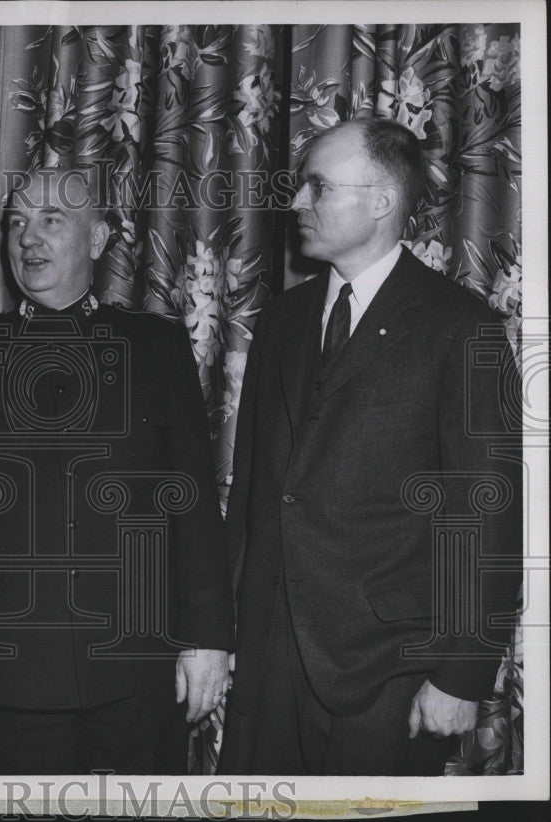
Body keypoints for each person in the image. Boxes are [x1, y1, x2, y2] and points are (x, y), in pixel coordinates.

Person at [0, 168, 234, 774]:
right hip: (3, 680)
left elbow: (195, 506)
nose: (28, 238)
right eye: (16, 221)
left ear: (98, 240)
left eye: (52, 220)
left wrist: (209, 635)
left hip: (140, 674)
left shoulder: (156, 347)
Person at [220, 118, 522, 776]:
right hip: (269, 663)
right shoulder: (281, 320)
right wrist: (223, 633)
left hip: (391, 674)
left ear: (381, 202)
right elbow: (250, 491)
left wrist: (464, 675)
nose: (297, 202)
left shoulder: (461, 327)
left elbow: (486, 517)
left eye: (317, 187)